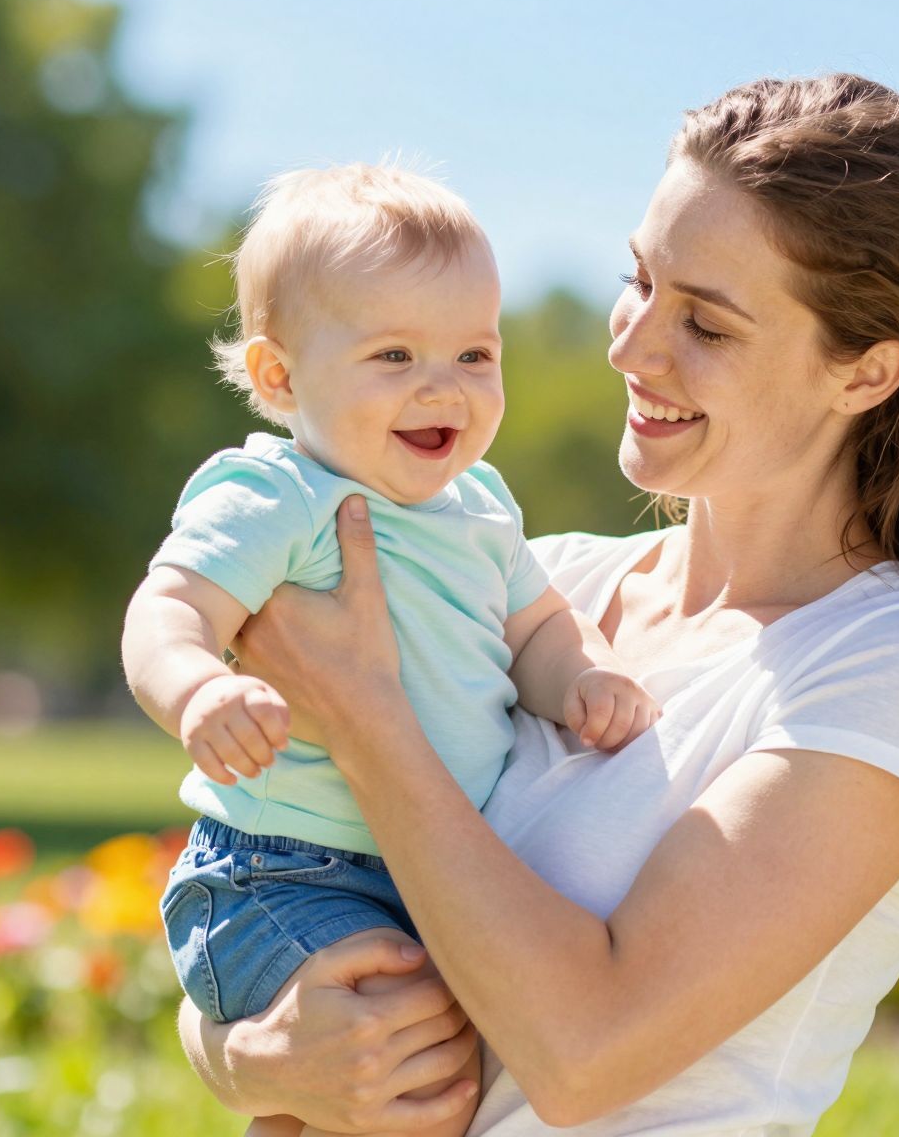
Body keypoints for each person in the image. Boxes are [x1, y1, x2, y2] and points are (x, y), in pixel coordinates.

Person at [180, 74, 899, 1136]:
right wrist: (249, 1057)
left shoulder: (894, 666)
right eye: (638, 281)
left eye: (708, 326)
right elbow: (265, 897)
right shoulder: (539, 584)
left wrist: (366, 718)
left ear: (864, 373)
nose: (631, 348)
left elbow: (586, 1054)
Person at [121, 163, 659, 1136]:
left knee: (391, 1082)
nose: (440, 388)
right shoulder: (278, 496)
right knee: (398, 1069)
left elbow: (534, 626)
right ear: (279, 377)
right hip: (283, 868)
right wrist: (198, 689)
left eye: (472, 355)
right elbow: (167, 608)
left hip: (431, 869)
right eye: (394, 357)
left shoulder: (483, 508)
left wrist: (575, 679)